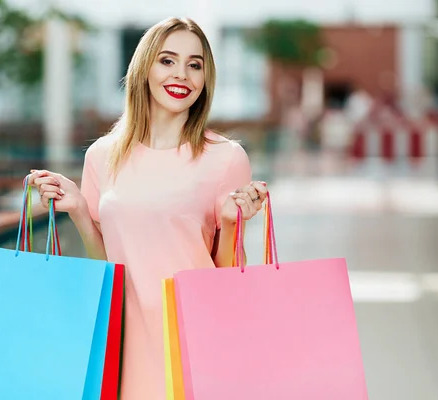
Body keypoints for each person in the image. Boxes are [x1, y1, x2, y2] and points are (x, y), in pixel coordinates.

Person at [29, 17, 267, 399]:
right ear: (144, 68)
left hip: (192, 340)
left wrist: (229, 222)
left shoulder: (225, 158)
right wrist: (77, 210)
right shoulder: (102, 156)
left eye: (195, 65)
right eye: (167, 60)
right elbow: (106, 267)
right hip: (123, 342)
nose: (182, 75)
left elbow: (228, 277)